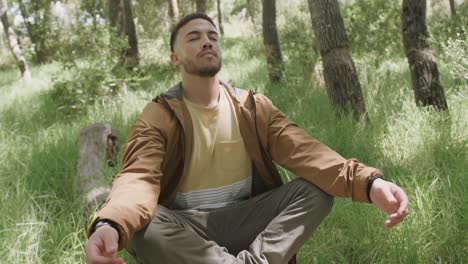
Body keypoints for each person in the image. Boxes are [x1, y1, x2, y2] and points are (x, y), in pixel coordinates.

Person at [85, 14, 409, 264]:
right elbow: (138, 177)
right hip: (187, 227)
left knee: (317, 188)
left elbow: (307, 152)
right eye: (194, 38)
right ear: (174, 57)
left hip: (247, 218)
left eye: (213, 36)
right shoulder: (159, 114)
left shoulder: (252, 107)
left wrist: (370, 183)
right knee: (143, 226)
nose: (207, 42)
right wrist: (109, 225)